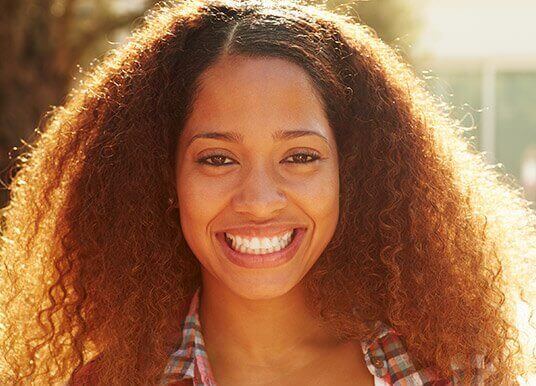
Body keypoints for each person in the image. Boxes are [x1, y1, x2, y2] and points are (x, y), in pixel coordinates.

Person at [0, 0, 534, 385]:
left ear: (356, 174)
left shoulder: (449, 373)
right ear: (164, 179)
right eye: (217, 158)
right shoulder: (109, 384)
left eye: (300, 157)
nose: (259, 200)